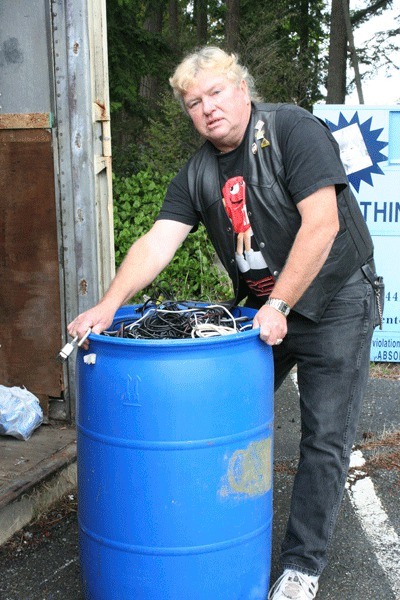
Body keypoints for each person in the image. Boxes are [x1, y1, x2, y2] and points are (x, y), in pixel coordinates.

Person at [68, 46, 382, 600]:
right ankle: (204, 526)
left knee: (324, 439)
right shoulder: (198, 174)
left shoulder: (291, 131)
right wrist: (108, 303)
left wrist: (281, 306)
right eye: (194, 102)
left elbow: (322, 223)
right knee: (215, 423)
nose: (208, 108)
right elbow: (157, 241)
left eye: (216, 92)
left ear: (242, 89)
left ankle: (301, 569)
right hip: (263, 311)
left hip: (333, 301)